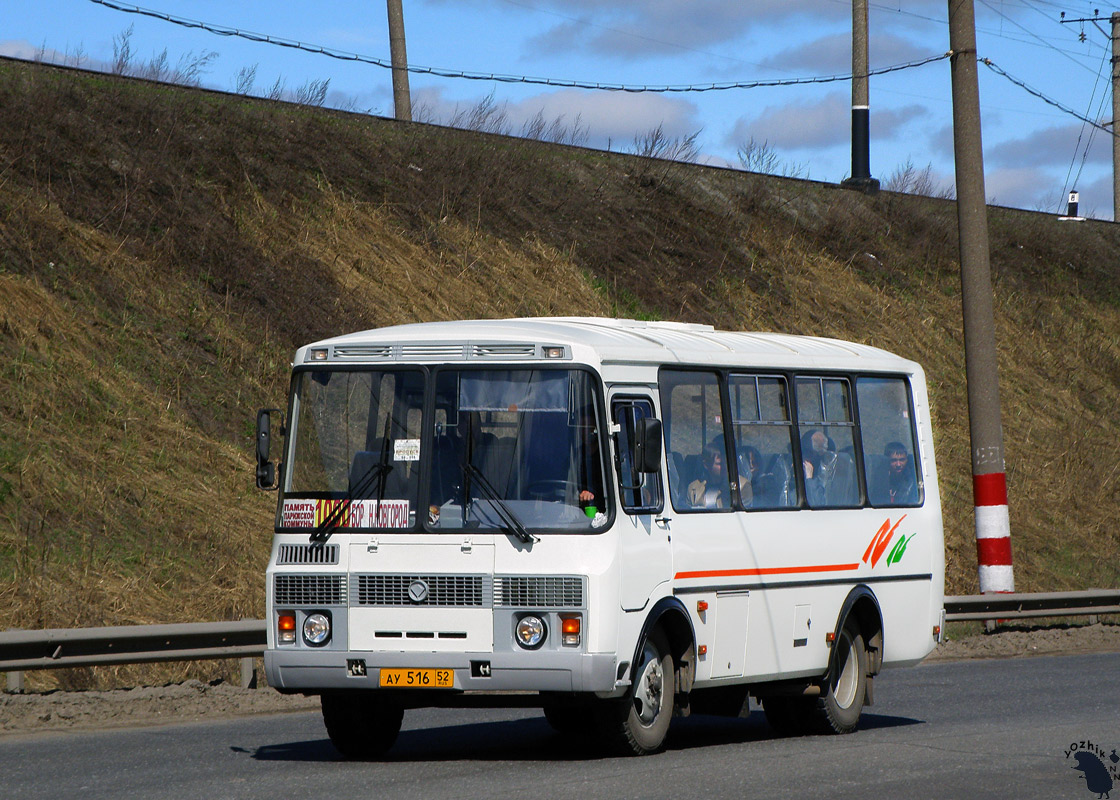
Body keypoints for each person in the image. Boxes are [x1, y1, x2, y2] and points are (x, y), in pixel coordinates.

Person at [688, 443, 730, 508]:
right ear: (706, 465)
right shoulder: (693, 489)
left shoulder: (739, 488)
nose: (724, 467)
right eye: (719, 464)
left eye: (726, 463)